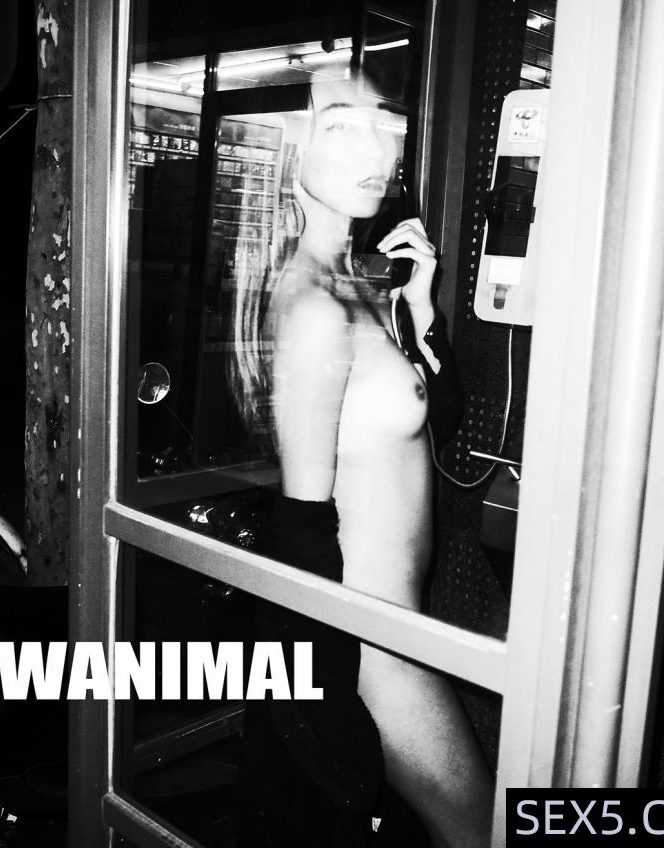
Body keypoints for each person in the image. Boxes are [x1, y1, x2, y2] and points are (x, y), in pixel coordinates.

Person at [229, 72, 493, 846]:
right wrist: (324, 710)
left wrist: (423, 310)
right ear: (293, 149)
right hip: (370, 649)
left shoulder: (354, 283)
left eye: (384, 126)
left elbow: (427, 430)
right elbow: (301, 529)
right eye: (341, 127)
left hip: (404, 628)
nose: (376, 150)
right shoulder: (315, 307)